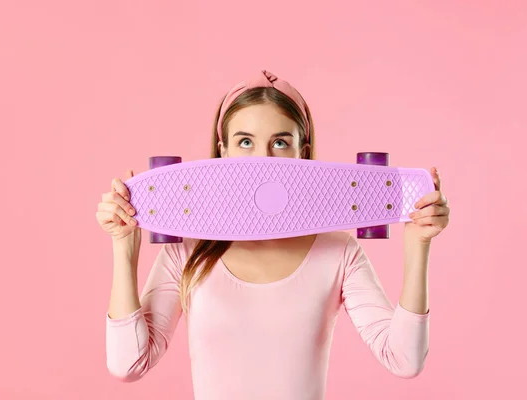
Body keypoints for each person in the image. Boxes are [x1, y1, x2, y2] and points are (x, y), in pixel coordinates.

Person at [96, 70, 450, 399]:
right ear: (222, 152)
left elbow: (404, 359)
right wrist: (123, 247)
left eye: (280, 143)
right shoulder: (187, 251)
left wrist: (418, 245)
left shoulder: (338, 251)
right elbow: (127, 365)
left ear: (304, 154)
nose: (261, 160)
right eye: (245, 142)